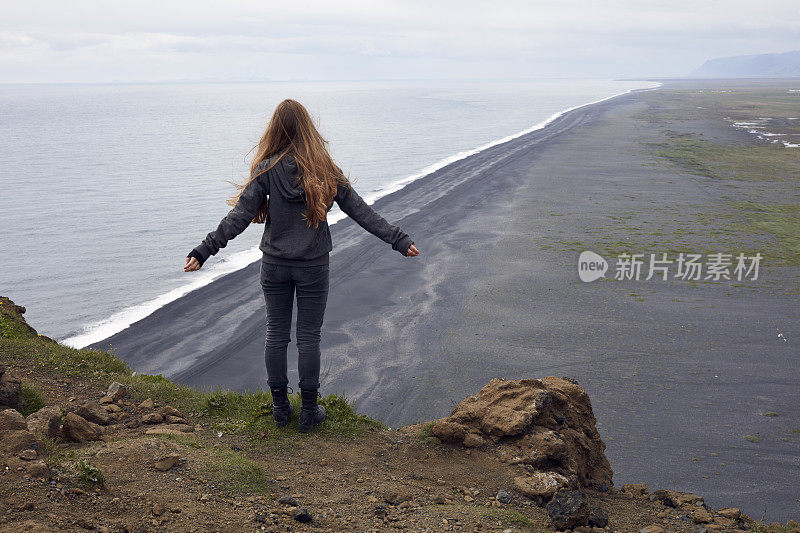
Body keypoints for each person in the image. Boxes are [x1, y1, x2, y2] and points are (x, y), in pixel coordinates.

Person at [184, 99, 420, 432]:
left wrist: (204, 250)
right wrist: (399, 240)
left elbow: (239, 217)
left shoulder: (266, 168)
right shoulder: (325, 169)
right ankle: (309, 412)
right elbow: (361, 211)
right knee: (308, 337)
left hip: (275, 266)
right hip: (313, 266)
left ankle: (281, 409)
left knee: (275, 335)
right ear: (308, 128)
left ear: (276, 129)